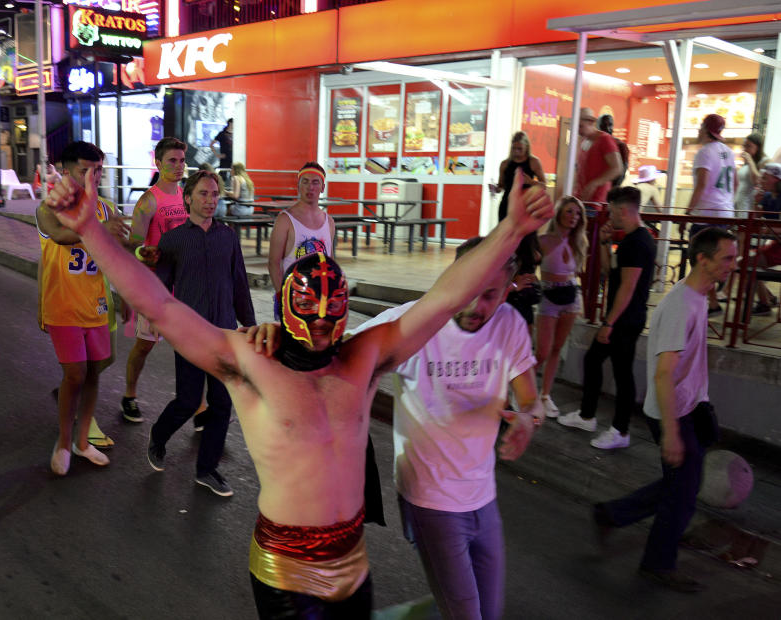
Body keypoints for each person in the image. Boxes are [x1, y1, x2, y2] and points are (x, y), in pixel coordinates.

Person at [45, 166, 553, 617]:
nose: (323, 330)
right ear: (287, 309)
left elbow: (445, 297)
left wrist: (511, 229)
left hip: (353, 562)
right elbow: (160, 305)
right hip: (286, 571)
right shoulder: (250, 364)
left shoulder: (362, 358)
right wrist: (90, 229)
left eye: (333, 317)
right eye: (310, 315)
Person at [351, 237, 541, 620]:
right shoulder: (411, 323)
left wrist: (528, 419)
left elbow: (530, 398)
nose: (477, 306)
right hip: (429, 500)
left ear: (508, 291)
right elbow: (337, 357)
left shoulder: (509, 325)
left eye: (491, 295)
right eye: (469, 291)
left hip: (482, 496)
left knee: (488, 610)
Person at [594, 227, 737, 593]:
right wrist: (672, 433)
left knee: (680, 483)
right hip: (673, 411)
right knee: (683, 494)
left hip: (692, 405)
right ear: (702, 259)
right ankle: (658, 563)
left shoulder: (700, 295)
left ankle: (614, 513)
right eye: (727, 259)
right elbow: (662, 374)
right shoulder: (680, 306)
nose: (733, 266)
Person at [147, 170, 256, 496]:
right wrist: (158, 317)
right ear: (188, 198)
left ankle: (206, 470)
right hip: (189, 334)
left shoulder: (228, 237)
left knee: (222, 404)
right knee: (188, 400)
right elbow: (161, 289)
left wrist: (248, 322)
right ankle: (158, 434)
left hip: (224, 333)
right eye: (204, 194)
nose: (210, 200)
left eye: (215, 194)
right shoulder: (174, 240)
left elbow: (239, 282)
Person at [36, 141, 129, 475]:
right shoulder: (52, 206)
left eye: (99, 170)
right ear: (65, 171)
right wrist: (97, 231)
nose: (94, 177)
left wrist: (142, 248)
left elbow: (121, 249)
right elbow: (59, 235)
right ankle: (63, 442)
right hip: (62, 305)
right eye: (85, 171)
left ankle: (82, 441)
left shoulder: (105, 208)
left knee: (93, 372)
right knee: (74, 374)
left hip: (97, 304)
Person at [559, 187, 657, 449]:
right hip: (623, 317)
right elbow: (609, 271)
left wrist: (609, 322)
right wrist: (604, 242)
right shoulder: (630, 240)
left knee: (622, 374)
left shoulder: (637, 243)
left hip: (625, 319)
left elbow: (627, 286)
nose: (609, 216)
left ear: (623, 210)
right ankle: (587, 415)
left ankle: (620, 431)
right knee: (594, 361)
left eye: (611, 210)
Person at [121, 137, 190, 424]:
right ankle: (129, 395)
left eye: (182, 161)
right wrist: (145, 253)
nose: (178, 166)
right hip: (153, 287)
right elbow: (132, 245)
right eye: (172, 161)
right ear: (158, 163)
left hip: (182, 285)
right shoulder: (148, 201)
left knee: (189, 345)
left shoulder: (187, 196)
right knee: (144, 345)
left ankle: (195, 406)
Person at [535, 196, 587, 418]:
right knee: (542, 351)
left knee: (557, 349)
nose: (574, 217)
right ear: (558, 214)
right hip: (548, 296)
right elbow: (526, 266)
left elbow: (580, 272)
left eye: (577, 213)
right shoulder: (544, 240)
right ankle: (522, 391)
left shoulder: (579, 242)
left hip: (571, 297)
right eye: (569, 212)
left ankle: (545, 395)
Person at [492, 131, 546, 332]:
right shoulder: (505, 164)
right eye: (514, 149)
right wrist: (495, 188)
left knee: (525, 244)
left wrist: (528, 181)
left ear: (526, 148)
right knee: (506, 245)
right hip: (507, 206)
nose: (516, 153)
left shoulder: (533, 162)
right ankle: (508, 277)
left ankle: (526, 279)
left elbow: (543, 185)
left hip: (525, 207)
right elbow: (501, 185)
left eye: (520, 149)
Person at [685, 114, 735, 315]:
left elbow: (702, 184)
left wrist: (688, 213)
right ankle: (708, 300)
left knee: (700, 258)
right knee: (712, 259)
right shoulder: (728, 152)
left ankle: (707, 301)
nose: (698, 131)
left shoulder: (705, 152)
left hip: (706, 213)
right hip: (725, 212)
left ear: (705, 129)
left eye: (700, 127)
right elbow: (736, 184)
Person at [268, 162, 336, 292]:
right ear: (298, 186)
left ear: (323, 187)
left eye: (315, 182)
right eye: (305, 182)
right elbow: (274, 263)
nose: (310, 187)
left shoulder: (329, 222)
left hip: (320, 298)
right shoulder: (285, 220)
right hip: (293, 298)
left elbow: (329, 262)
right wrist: (281, 297)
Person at [749, 162, 781, 316]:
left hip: (778, 246)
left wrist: (767, 228)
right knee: (746, 262)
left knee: (749, 263)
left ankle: (764, 302)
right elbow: (756, 220)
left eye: (765, 177)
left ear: (776, 179)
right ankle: (765, 301)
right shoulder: (767, 196)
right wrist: (757, 202)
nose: (761, 180)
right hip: (776, 244)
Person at [575, 107, 623, 205]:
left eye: (580, 126)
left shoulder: (605, 140)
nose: (578, 130)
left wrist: (594, 184)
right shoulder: (584, 141)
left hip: (597, 201)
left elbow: (617, 168)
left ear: (590, 122)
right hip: (581, 199)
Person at [735, 132, 768, 215]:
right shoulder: (748, 162)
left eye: (749, 146)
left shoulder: (764, 161)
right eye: (744, 146)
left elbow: (757, 181)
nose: (745, 149)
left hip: (749, 205)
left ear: (758, 147)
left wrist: (750, 161)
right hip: (738, 202)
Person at [598, 114, 629, 188]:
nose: (608, 128)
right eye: (604, 125)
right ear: (599, 127)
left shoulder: (620, 145)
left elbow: (622, 171)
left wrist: (612, 189)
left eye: (610, 125)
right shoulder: (593, 144)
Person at [211, 118, 234, 182]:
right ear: (230, 123)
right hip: (225, 159)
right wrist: (217, 155)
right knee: (222, 177)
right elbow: (211, 144)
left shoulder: (237, 134)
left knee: (234, 177)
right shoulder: (222, 134)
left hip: (234, 159)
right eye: (233, 124)